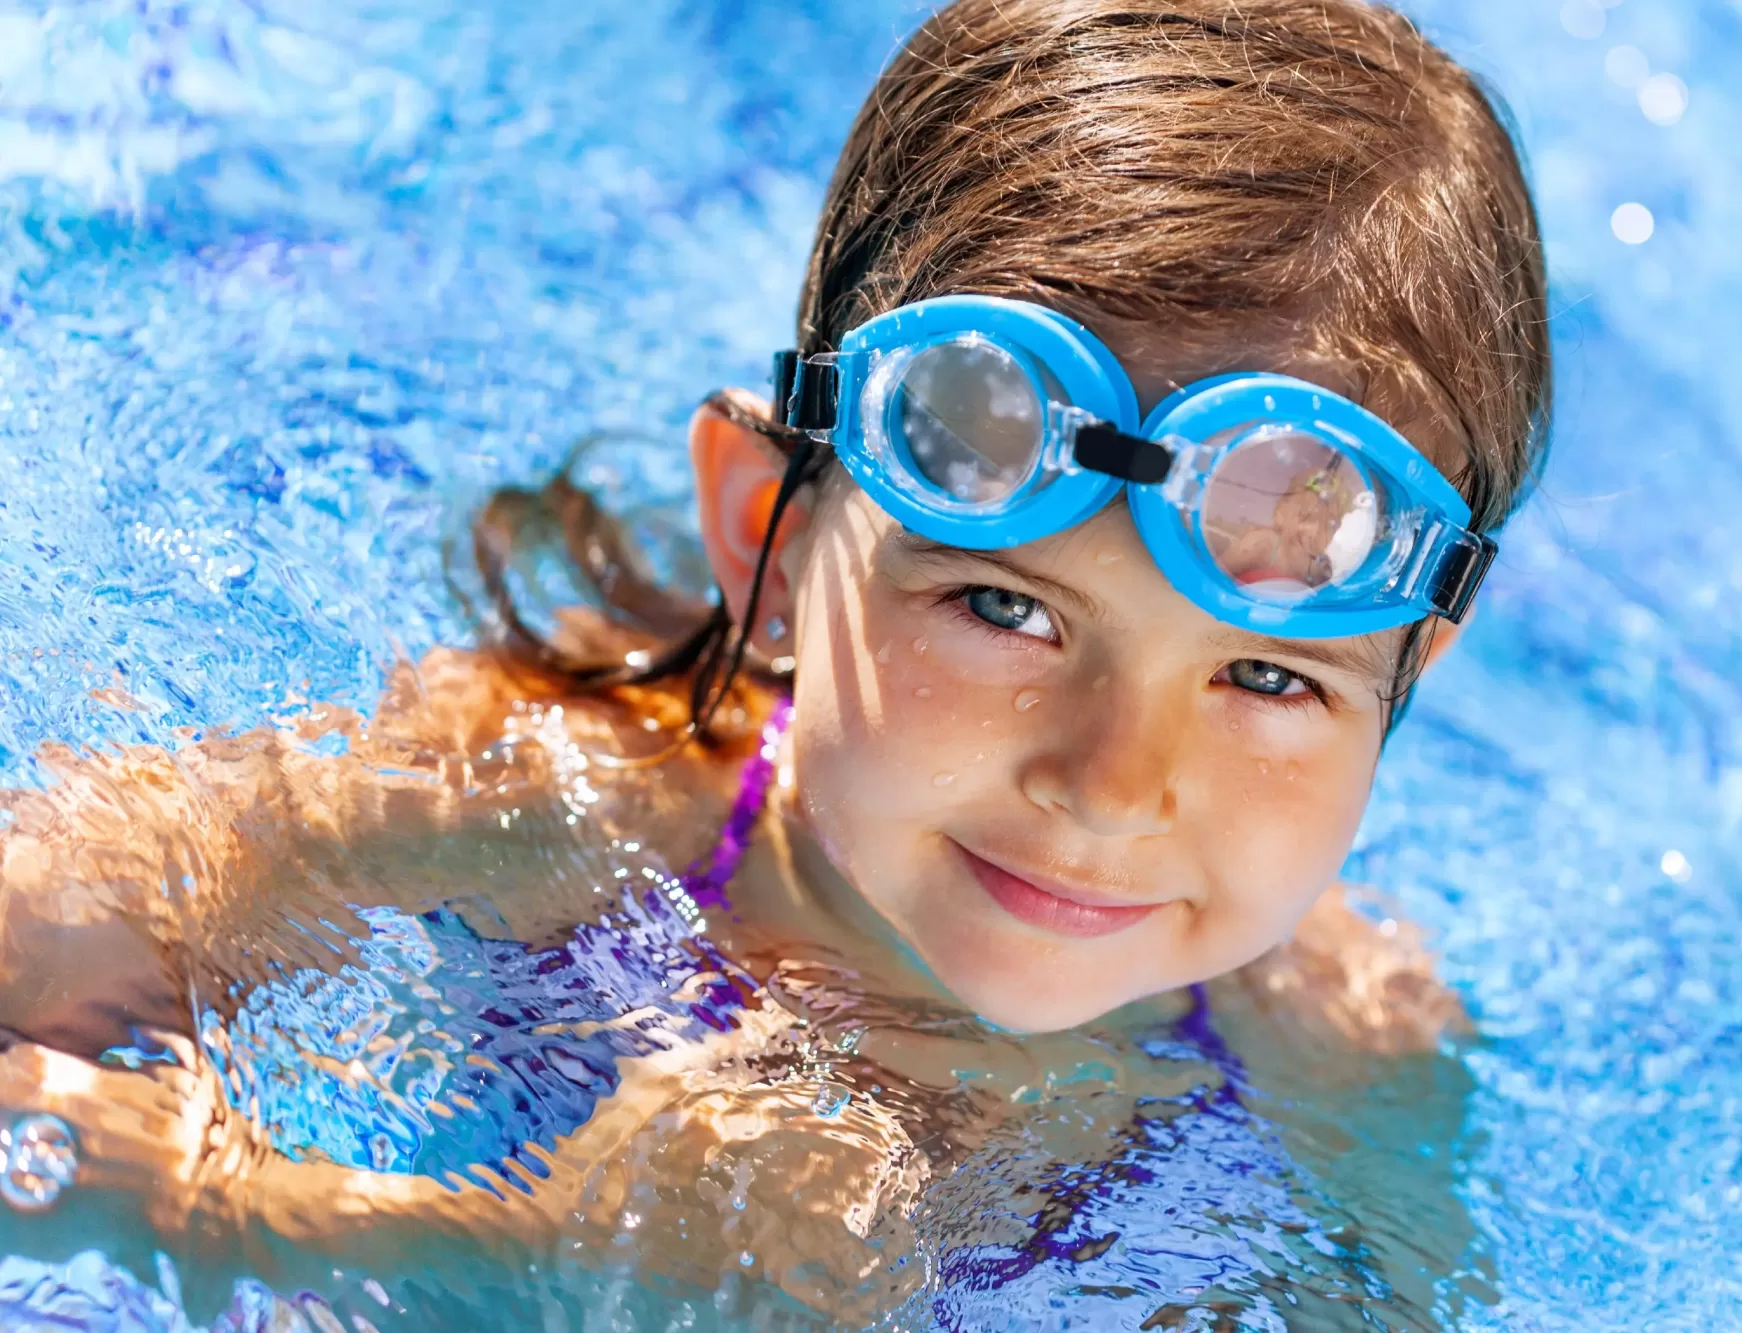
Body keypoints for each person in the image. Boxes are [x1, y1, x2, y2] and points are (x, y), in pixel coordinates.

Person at [0, 0, 1549, 1321]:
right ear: (773, 540)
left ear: (1408, 677)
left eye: (1269, 680)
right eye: (1006, 611)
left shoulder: (1341, 1048)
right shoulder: (544, 789)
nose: (1110, 788)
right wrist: (529, 1252)